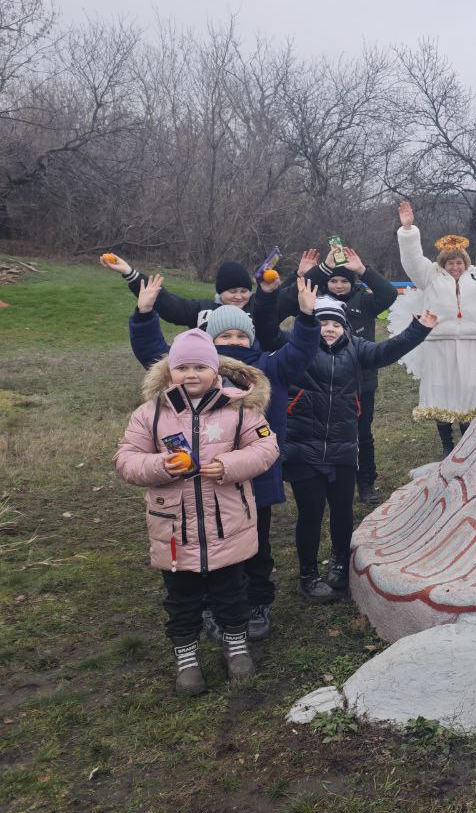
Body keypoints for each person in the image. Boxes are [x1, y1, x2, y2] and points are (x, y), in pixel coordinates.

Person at [128, 275, 321, 641]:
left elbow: (300, 352)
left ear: (252, 338)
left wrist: (307, 320)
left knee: (257, 547)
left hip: (256, 480)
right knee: (207, 548)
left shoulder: (269, 368)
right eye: (224, 337)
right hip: (196, 484)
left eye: (240, 336)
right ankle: (212, 608)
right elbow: (153, 352)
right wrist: (144, 313)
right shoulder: (194, 373)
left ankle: (257, 603)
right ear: (210, 342)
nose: (234, 342)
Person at [114, 329, 280, 695]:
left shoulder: (240, 408)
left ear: (215, 370)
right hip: (175, 528)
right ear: (170, 371)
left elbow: (266, 448)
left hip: (228, 523)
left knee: (232, 591)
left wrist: (229, 465)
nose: (191, 374)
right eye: (183, 366)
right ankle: (186, 657)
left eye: (200, 366)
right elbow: (126, 459)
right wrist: (160, 465)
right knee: (181, 597)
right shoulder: (150, 414)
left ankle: (236, 646)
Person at [283, 296, 437, 603]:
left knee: (342, 510)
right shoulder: (297, 348)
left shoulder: (357, 348)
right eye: (322, 323)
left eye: (335, 324)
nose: (328, 329)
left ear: (345, 328)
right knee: (310, 513)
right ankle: (308, 574)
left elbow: (386, 351)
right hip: (304, 446)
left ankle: (340, 562)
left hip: (343, 445)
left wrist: (418, 329)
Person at [269, 243, 399, 503]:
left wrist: (363, 270)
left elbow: (389, 294)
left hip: (360, 381)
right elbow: (278, 304)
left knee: (361, 434)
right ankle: (323, 481)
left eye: (344, 281)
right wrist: (301, 276)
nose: (339, 286)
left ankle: (365, 483)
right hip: (316, 382)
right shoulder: (313, 300)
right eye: (334, 281)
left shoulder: (365, 301)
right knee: (320, 434)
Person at [394, 202, 476, 456]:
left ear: (466, 262)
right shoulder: (429, 278)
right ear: (442, 264)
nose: (455, 267)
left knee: (471, 391)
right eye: (449, 263)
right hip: (439, 343)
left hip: (472, 343)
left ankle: (468, 443)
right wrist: (407, 230)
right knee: (442, 390)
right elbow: (413, 260)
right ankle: (447, 444)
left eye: (459, 262)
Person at [100, 253, 267, 333]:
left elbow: (283, 299)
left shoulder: (259, 309)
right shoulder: (202, 308)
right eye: (232, 291)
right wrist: (130, 273)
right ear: (220, 291)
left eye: (244, 291)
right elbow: (171, 305)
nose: (239, 296)